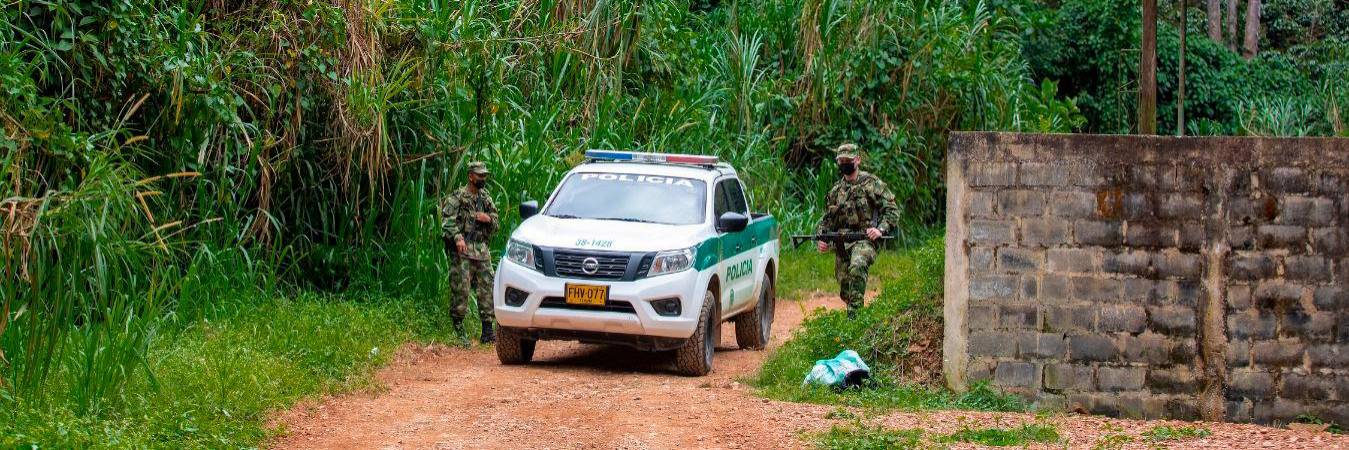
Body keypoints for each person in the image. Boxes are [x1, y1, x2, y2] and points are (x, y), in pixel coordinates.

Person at [814, 144, 901, 318]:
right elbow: (827, 220)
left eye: (849, 160)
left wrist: (880, 230)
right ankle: (857, 314)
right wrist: (821, 238)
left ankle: (855, 320)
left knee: (857, 266)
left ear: (858, 160)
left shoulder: (872, 184)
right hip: (842, 243)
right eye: (841, 161)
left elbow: (892, 209)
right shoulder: (836, 191)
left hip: (865, 239)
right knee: (846, 288)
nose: (845, 163)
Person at [442, 161, 499, 343]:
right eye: (479, 175)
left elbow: (496, 223)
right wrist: (457, 237)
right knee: (461, 289)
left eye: (485, 175)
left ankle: (487, 331)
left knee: (487, 288)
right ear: (470, 176)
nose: (483, 178)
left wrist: (488, 218)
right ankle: (458, 328)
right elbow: (446, 221)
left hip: (482, 251)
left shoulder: (486, 198)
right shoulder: (458, 197)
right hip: (464, 251)